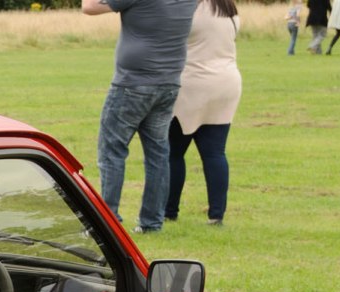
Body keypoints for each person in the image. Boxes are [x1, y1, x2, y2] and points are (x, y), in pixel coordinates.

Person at [82, 0, 198, 234]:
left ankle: (108, 221)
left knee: (112, 152)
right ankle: (152, 222)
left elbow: (90, 7)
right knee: (158, 154)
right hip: (169, 82)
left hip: (133, 83)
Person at [166, 0, 241, 226]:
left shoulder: (189, 9)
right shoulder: (230, 11)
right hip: (226, 82)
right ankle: (216, 214)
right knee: (215, 152)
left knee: (174, 152)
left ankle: (169, 209)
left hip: (192, 83)